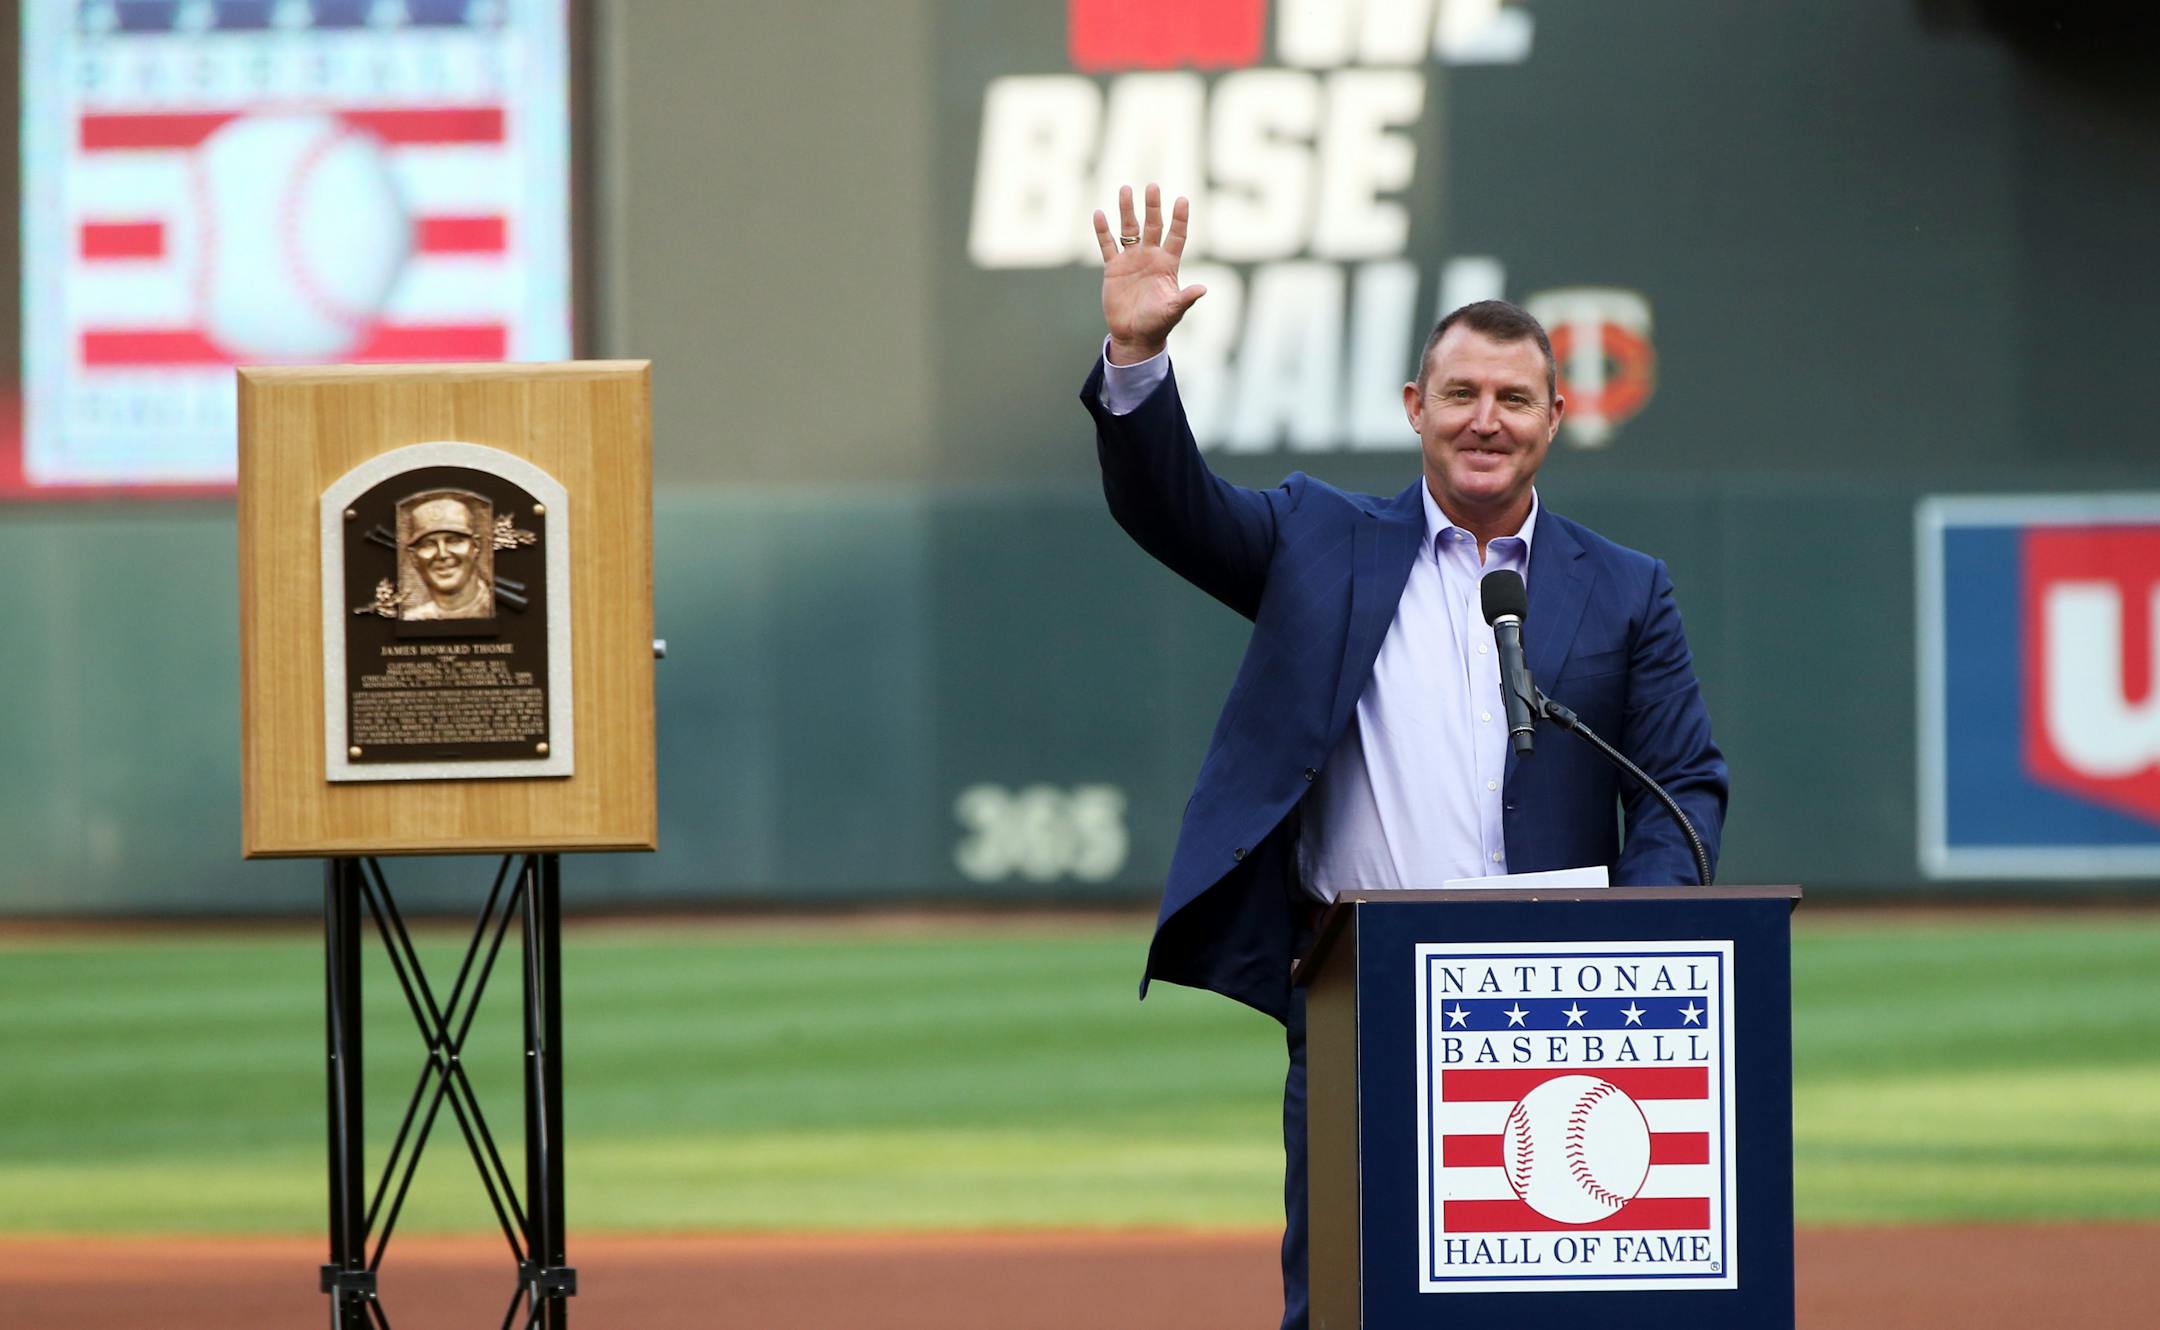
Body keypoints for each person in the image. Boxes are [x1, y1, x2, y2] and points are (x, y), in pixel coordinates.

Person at [1078, 184, 1727, 1330]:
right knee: (1349, 1298)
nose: (1487, 421)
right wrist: (1136, 360)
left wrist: (1636, 943)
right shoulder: (1318, 538)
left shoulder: (1627, 589)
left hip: (1556, 1007)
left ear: (1556, 416)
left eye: (1513, 399)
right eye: (1462, 394)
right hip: (1361, 995)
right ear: (1415, 406)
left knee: (1549, 1309)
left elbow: (1682, 785)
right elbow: (1173, 510)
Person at [401, 494, 495, 620]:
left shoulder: (498, 607)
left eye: (453, 541)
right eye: (428, 544)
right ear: (413, 557)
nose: (442, 554)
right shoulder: (411, 618)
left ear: (476, 546)